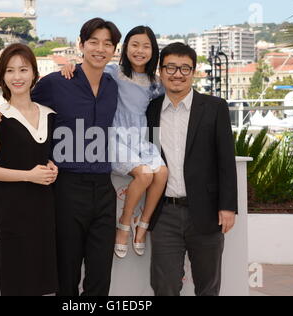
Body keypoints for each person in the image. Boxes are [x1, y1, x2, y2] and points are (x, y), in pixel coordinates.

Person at [0, 18, 122, 296]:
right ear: (81, 45)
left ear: (114, 50)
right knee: (66, 272)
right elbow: (18, 103)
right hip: (66, 187)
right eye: (93, 42)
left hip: (104, 188)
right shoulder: (56, 83)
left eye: (107, 44)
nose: (100, 48)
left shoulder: (113, 84)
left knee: (101, 274)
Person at [61, 26, 168, 258]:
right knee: (145, 174)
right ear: (125, 47)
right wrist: (70, 65)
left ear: (153, 50)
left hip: (139, 138)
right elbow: (87, 68)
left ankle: (143, 223)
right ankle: (124, 224)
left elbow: (178, 91)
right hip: (113, 136)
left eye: (146, 46)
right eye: (135, 45)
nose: (140, 50)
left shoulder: (154, 82)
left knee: (162, 172)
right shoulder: (112, 71)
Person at [146, 43, 238, 296]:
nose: (178, 74)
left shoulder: (215, 107)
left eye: (185, 68)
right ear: (161, 71)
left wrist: (228, 206)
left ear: (194, 72)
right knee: (164, 285)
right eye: (171, 67)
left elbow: (226, 160)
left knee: (207, 286)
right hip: (164, 213)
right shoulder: (150, 110)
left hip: (207, 212)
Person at [0, 43, 59, 296]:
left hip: (43, 208)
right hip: (11, 211)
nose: (17, 77)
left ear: (34, 74)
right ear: (2, 77)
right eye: (10, 71)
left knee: (42, 278)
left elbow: (47, 156)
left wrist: (52, 168)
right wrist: (29, 176)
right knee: (17, 280)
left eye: (23, 70)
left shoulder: (50, 115)